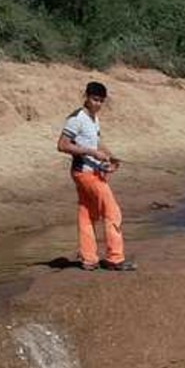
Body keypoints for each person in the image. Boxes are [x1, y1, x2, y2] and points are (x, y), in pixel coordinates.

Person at [56, 81, 135, 271]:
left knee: (87, 214)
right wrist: (91, 153)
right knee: (112, 212)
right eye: (94, 99)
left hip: (92, 171)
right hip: (84, 173)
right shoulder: (76, 118)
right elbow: (62, 145)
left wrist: (111, 157)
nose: (97, 104)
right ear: (87, 97)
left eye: (101, 101)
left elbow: (97, 142)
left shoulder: (94, 118)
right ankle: (115, 258)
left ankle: (89, 259)